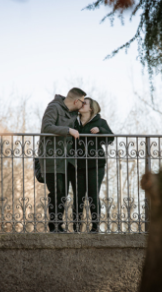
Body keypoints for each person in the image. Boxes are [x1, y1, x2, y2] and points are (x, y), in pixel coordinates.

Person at [39, 87, 86, 232]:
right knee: (57, 193)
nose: (83, 105)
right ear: (76, 101)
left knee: (63, 194)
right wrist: (67, 131)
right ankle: (55, 227)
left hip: (66, 161)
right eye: (82, 102)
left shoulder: (73, 114)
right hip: (51, 159)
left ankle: (59, 226)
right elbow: (46, 127)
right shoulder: (54, 107)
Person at [72, 97, 114, 233]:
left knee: (92, 195)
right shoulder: (74, 122)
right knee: (78, 197)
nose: (81, 105)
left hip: (95, 164)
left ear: (91, 108)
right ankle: (77, 228)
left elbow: (111, 138)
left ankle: (95, 227)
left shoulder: (100, 122)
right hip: (77, 165)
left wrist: (100, 130)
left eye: (85, 103)